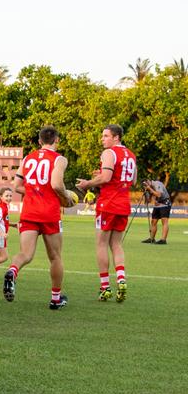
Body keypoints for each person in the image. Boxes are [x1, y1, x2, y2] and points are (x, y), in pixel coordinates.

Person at [3, 126, 72, 309]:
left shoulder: (28, 158)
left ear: (40, 141)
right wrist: (66, 198)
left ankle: (12, 271)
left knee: (25, 254)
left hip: (29, 212)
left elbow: (16, 185)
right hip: (49, 212)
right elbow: (57, 184)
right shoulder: (59, 159)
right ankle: (56, 299)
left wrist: (34, 192)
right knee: (55, 257)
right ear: (57, 140)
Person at [76, 124, 136, 303]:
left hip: (108, 204)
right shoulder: (131, 155)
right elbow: (131, 180)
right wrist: (102, 175)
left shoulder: (109, 153)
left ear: (116, 137)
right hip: (124, 203)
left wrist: (88, 183)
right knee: (117, 244)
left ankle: (105, 288)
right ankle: (121, 279)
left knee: (101, 244)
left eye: (105, 136)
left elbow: (106, 178)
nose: (102, 139)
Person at [143, 180, 171, 244]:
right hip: (157, 204)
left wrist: (149, 188)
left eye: (146, 185)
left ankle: (163, 240)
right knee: (153, 221)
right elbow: (150, 199)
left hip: (165, 203)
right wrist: (147, 194)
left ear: (148, 181)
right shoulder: (150, 187)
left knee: (164, 221)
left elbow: (159, 195)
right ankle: (152, 239)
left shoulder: (157, 184)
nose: (145, 186)